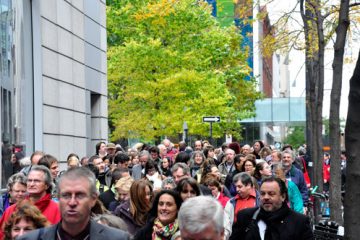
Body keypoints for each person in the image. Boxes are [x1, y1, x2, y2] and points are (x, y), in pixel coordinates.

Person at [17, 167, 130, 240]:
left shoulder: (118, 238)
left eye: (80, 195)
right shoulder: (30, 238)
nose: (72, 202)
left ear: (93, 199)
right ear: (58, 198)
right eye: (66, 195)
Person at [229, 176, 313, 240]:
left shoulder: (299, 221)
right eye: (262, 193)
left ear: (283, 196)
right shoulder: (245, 216)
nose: (266, 197)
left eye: (271, 193)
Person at [224, 172, 260, 239]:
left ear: (249, 185)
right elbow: (226, 225)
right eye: (236, 187)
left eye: (240, 187)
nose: (237, 190)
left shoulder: (261, 200)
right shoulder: (231, 202)